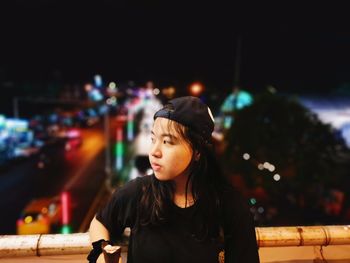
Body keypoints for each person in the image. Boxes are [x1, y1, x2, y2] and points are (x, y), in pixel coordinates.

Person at [88, 96, 260, 263]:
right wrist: (101, 252)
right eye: (153, 139)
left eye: (167, 142)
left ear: (198, 151)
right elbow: (101, 221)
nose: (154, 151)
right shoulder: (138, 193)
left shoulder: (229, 205)